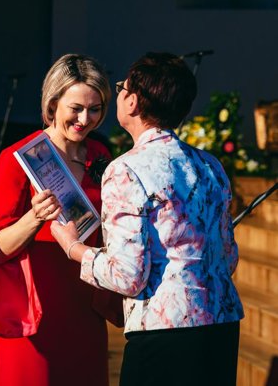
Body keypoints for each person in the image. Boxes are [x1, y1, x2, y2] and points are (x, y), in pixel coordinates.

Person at [51, 52, 245, 386]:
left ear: (133, 102)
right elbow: (227, 257)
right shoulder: (210, 164)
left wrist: (74, 248)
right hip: (221, 325)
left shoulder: (126, 169)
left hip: (165, 331)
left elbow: (128, 276)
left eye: (122, 88)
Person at [0, 53, 121, 386]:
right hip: (36, 311)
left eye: (95, 109)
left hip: (85, 307)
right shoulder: (17, 160)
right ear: (53, 104)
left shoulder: (99, 155)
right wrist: (34, 217)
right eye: (76, 108)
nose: (85, 119)